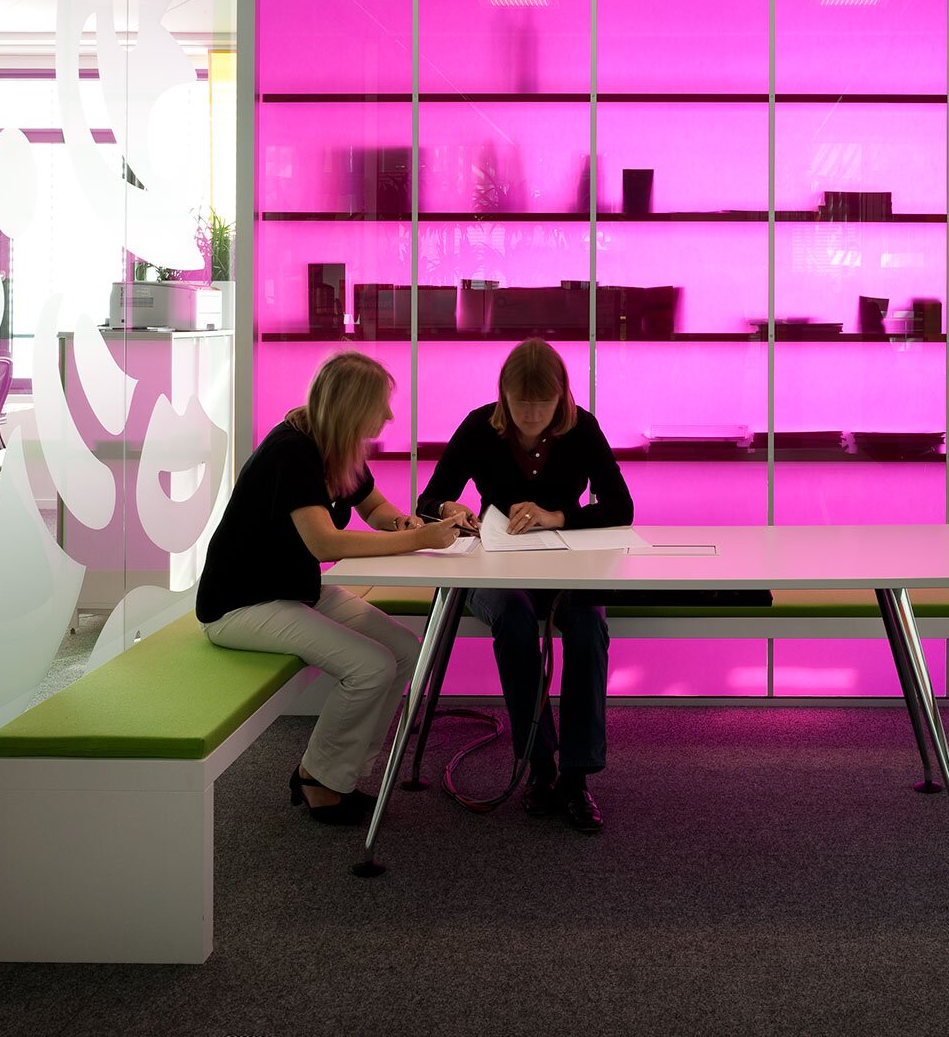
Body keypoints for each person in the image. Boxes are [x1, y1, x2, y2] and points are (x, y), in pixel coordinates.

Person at [197, 351, 463, 825]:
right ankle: (318, 779)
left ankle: (343, 773)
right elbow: (324, 543)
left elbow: (375, 509)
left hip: (293, 590)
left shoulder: (338, 447)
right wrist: (418, 539)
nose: (389, 415)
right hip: (241, 603)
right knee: (371, 666)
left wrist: (403, 523)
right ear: (353, 408)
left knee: (405, 649)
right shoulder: (292, 451)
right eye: (380, 405)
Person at [416, 338, 633, 833]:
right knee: (513, 619)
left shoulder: (582, 427)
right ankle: (539, 765)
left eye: (543, 405)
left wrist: (557, 516)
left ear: (562, 398)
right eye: (521, 406)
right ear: (503, 397)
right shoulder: (479, 427)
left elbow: (621, 507)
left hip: (568, 568)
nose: (532, 417)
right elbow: (430, 500)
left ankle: (576, 775)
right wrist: (450, 509)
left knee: (588, 625)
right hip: (495, 569)